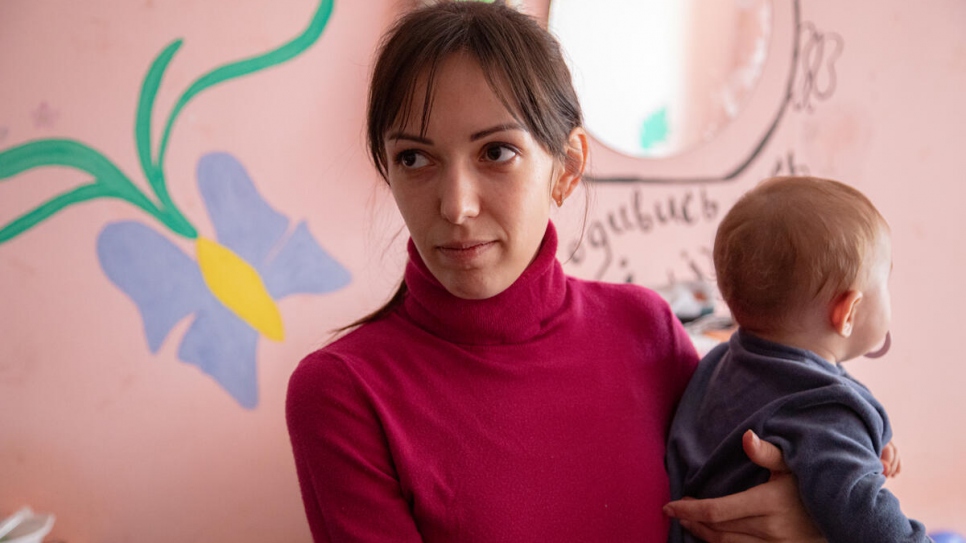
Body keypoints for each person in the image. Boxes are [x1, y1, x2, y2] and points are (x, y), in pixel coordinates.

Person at [286, 2, 823, 541]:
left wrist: (809, 516)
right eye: (413, 159)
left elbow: (742, 490)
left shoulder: (646, 330)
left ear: (566, 168)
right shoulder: (343, 392)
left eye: (495, 152)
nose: (455, 206)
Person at [666, 176, 931, 542]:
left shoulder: (722, 363)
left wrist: (868, 442)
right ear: (848, 311)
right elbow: (867, 518)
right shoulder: (826, 410)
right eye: (885, 281)